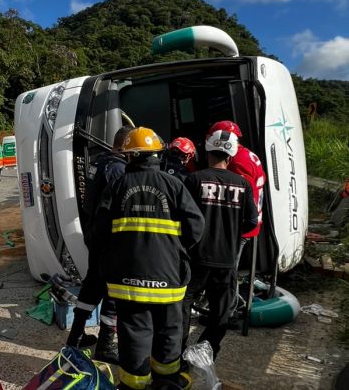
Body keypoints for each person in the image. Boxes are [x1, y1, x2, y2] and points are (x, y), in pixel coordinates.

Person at [95, 127, 205, 390]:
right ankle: (167, 381)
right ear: (157, 153)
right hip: (168, 277)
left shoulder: (117, 186)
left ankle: (134, 385)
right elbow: (196, 226)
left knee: (134, 331)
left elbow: (99, 233)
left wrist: (115, 256)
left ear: (130, 156)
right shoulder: (174, 185)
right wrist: (175, 250)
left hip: (128, 278)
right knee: (169, 330)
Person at [182, 129, 258, 360]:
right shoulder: (243, 185)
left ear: (207, 151)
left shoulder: (194, 180)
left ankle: (176, 353)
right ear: (231, 156)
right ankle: (207, 349)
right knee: (221, 313)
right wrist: (231, 233)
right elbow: (251, 222)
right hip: (226, 260)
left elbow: (182, 217)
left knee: (183, 305)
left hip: (196, 258)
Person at [66, 125, 134, 364]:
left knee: (91, 285)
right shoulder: (118, 169)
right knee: (113, 291)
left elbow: (88, 202)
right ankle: (106, 345)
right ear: (126, 145)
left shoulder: (101, 163)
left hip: (95, 233)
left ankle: (74, 337)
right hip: (109, 239)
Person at [207, 120, 266, 321]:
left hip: (240, 227)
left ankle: (227, 313)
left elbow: (240, 195)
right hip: (248, 224)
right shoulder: (247, 154)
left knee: (228, 271)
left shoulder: (238, 161)